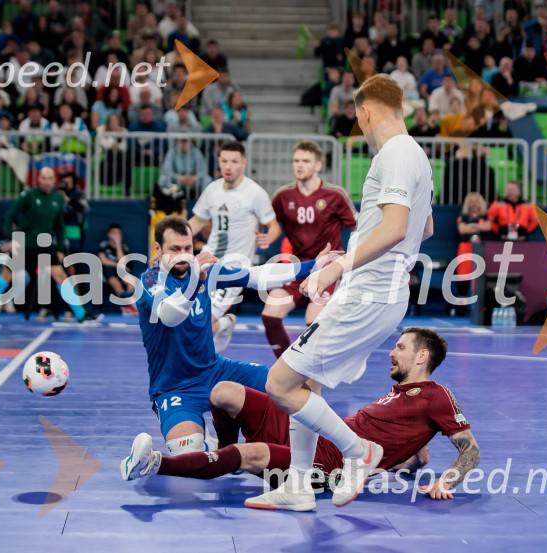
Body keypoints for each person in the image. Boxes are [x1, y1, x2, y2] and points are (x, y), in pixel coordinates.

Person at [245, 74, 435, 511]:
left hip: (368, 294)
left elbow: (395, 228)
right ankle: (297, 485)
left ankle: (359, 451)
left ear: (365, 111)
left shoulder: (397, 153)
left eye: (357, 118)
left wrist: (339, 266)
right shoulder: (417, 157)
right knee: (306, 382)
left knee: (280, 383)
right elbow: (424, 227)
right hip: (378, 292)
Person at [122, 328, 480, 507]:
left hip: (327, 463)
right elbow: (408, 446)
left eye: (400, 347)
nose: (392, 352)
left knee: (254, 456)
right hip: (314, 432)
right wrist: (413, 458)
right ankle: (224, 456)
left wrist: (446, 480)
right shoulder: (398, 394)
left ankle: (155, 464)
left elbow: (471, 451)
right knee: (224, 392)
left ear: (422, 357)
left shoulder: (437, 396)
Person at [135, 215, 333, 454]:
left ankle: (325, 450)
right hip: (173, 387)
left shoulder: (202, 271)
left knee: (291, 386)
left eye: (188, 248)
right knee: (191, 452)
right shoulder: (149, 280)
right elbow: (169, 315)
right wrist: (194, 282)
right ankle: (211, 441)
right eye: (174, 249)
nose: (183, 255)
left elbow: (257, 275)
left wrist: (313, 266)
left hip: (214, 370)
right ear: (158, 248)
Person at [263, 141, 357, 359]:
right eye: (296, 160)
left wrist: (350, 263)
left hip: (327, 269)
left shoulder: (335, 194)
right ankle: (286, 366)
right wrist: (267, 235)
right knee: (270, 315)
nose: (299, 165)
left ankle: (312, 372)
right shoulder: (282, 196)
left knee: (312, 323)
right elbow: (272, 222)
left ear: (318, 165)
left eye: (305, 161)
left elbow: (358, 228)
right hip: (299, 268)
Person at [188, 141, 281, 353]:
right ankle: (225, 324)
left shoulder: (255, 192)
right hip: (206, 262)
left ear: (243, 163)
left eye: (234, 161)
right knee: (188, 318)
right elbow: (197, 221)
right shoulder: (212, 189)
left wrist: (268, 238)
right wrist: (171, 242)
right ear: (218, 162)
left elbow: (273, 225)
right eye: (224, 161)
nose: (228, 166)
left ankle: (225, 324)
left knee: (202, 324)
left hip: (233, 269)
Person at [0, 167, 92, 322]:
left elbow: (60, 226)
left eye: (50, 178)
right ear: (39, 180)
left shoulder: (58, 198)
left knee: (60, 275)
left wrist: (61, 248)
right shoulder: (29, 195)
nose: (47, 182)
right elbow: (10, 215)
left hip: (45, 244)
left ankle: (81, 314)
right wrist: (13, 239)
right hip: (25, 243)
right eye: (44, 178)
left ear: (54, 181)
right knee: (7, 274)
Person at [98, 223, 137, 315]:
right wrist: (117, 265)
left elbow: (122, 261)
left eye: (118, 233)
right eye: (113, 232)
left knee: (130, 279)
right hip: (109, 272)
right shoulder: (104, 245)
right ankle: (124, 298)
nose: (116, 235)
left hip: (122, 271)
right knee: (111, 273)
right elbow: (103, 260)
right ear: (108, 234)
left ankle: (130, 300)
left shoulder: (124, 247)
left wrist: (118, 243)